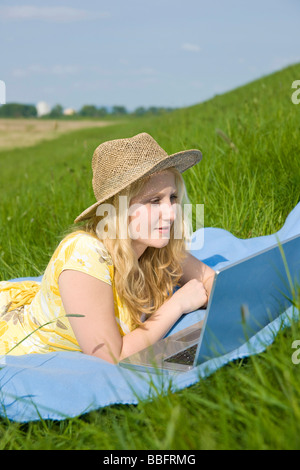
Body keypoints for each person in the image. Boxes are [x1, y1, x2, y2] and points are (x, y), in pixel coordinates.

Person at [0, 132, 215, 363]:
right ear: (119, 209)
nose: (171, 213)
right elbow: (112, 356)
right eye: (154, 201)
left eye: (172, 197)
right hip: (21, 351)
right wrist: (178, 304)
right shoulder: (85, 255)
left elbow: (212, 281)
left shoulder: (156, 242)